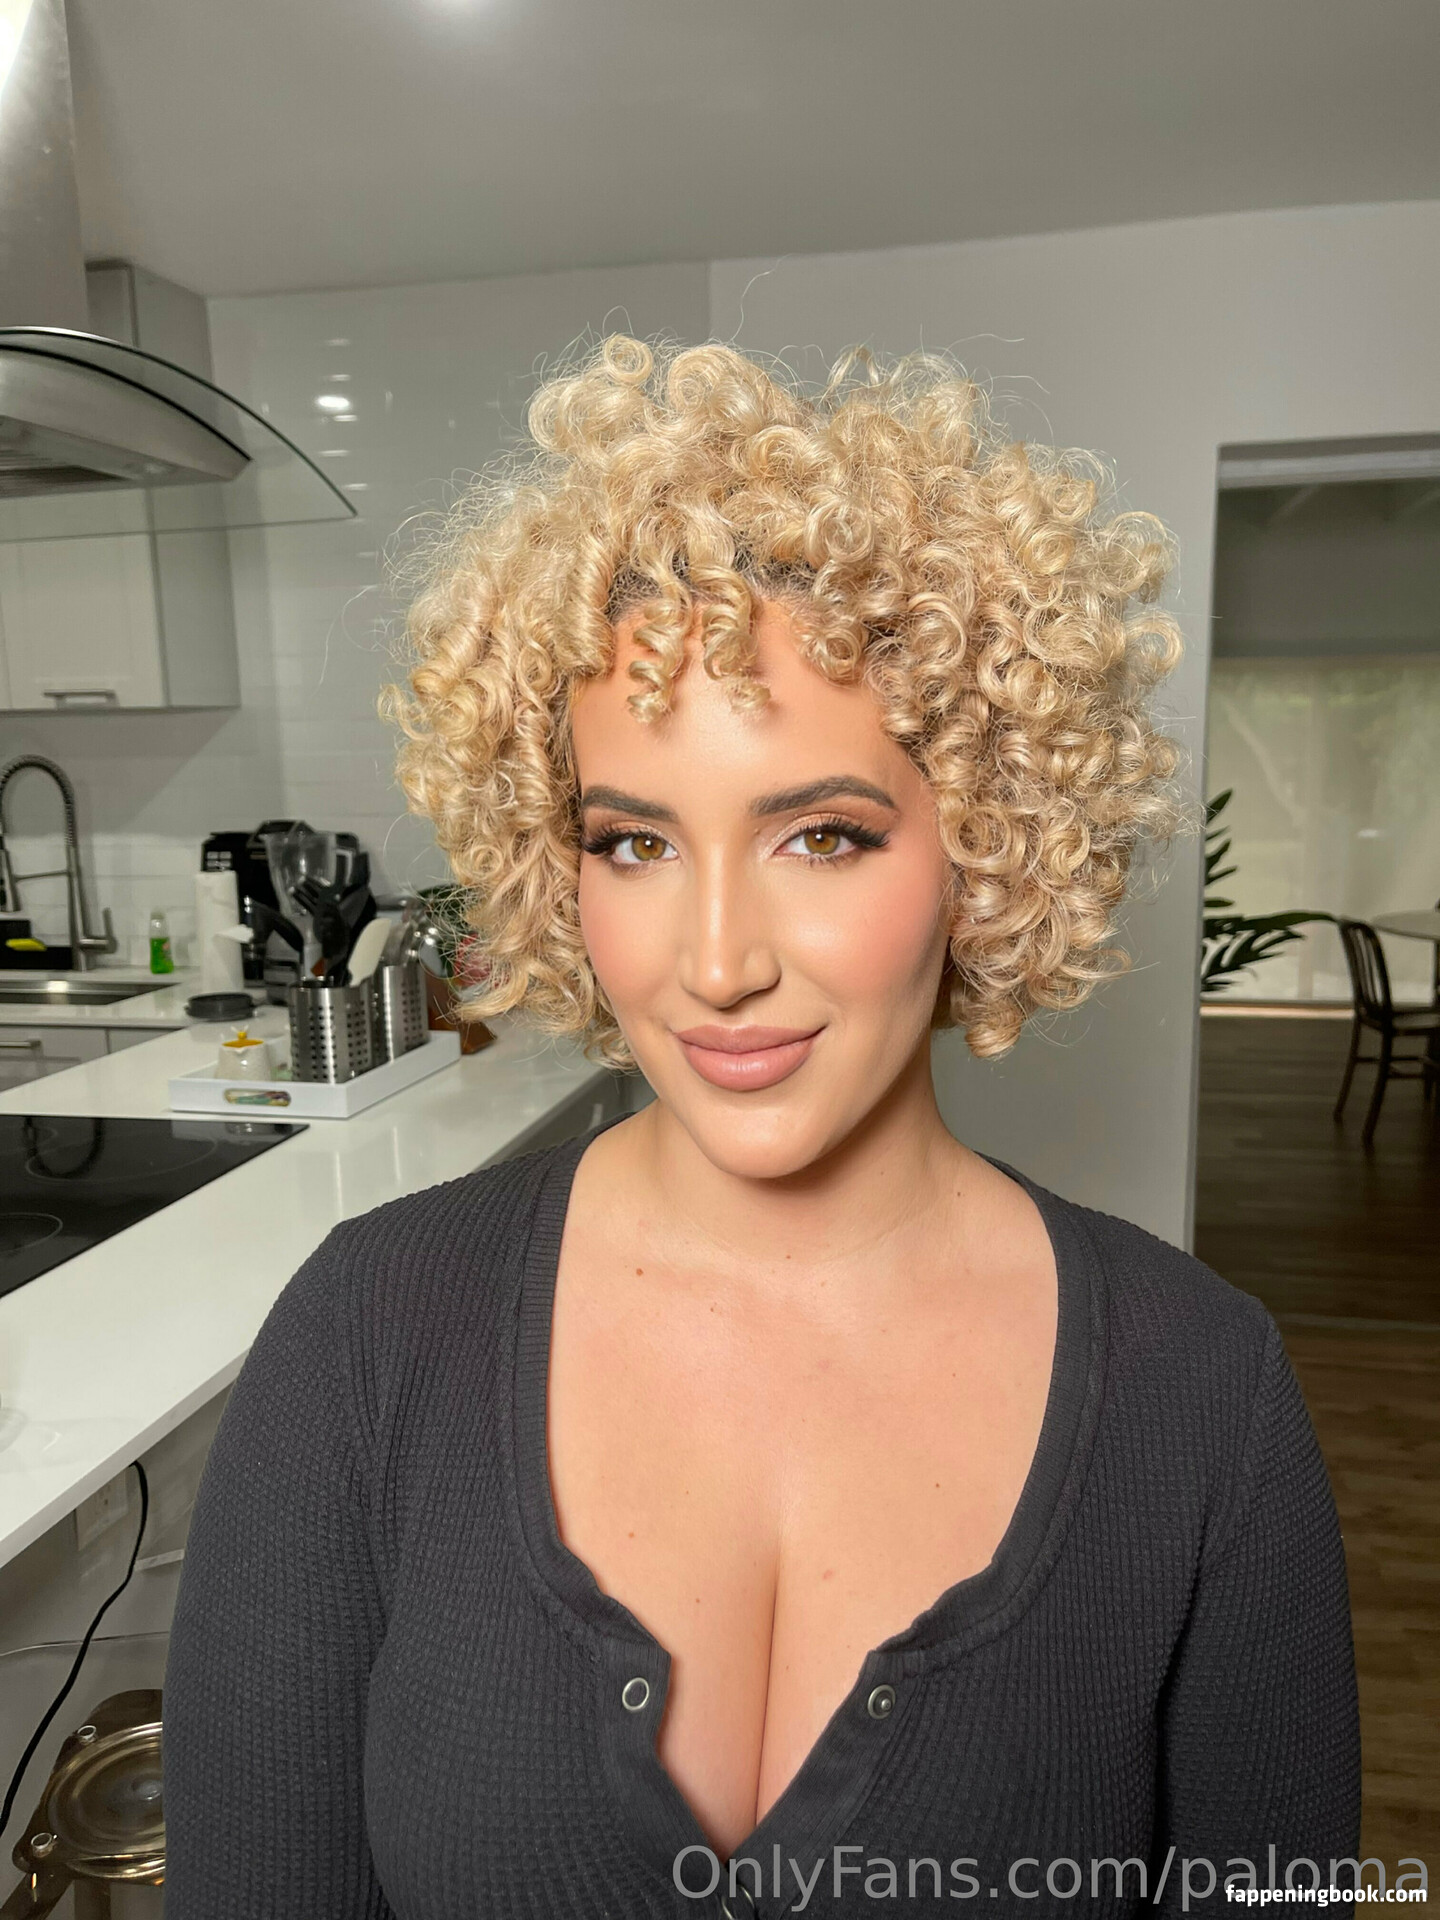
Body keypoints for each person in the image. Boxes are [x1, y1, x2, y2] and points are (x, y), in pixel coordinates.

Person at [161, 336, 1360, 1918]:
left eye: (824, 835)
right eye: (636, 844)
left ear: (988, 841)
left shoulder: (1204, 1402)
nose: (717, 962)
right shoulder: (366, 1343)